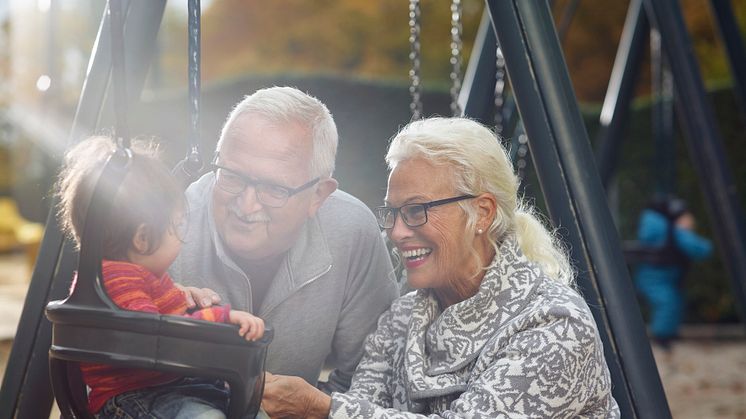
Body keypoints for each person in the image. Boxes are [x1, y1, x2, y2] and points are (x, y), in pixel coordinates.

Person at [261, 117, 620, 418]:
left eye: (417, 210)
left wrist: (321, 409)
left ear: (482, 213)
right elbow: (361, 401)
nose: (398, 232)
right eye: (392, 213)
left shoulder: (555, 325)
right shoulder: (403, 317)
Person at [169, 86, 399, 394]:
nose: (247, 205)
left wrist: (313, 411)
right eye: (232, 176)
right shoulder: (170, 224)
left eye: (274, 189)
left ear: (318, 195)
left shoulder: (352, 231)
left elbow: (373, 377)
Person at [55, 136, 265, 418]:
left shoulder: (126, 277)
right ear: (142, 238)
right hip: (137, 399)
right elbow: (157, 336)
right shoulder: (118, 281)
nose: (182, 236)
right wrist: (223, 318)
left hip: (167, 391)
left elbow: (166, 315)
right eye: (177, 226)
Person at [634, 195, 713, 349]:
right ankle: (662, 337)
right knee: (668, 303)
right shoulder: (672, 230)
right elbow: (699, 248)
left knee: (673, 302)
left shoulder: (655, 226)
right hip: (657, 277)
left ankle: (668, 334)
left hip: (656, 277)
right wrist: (686, 231)